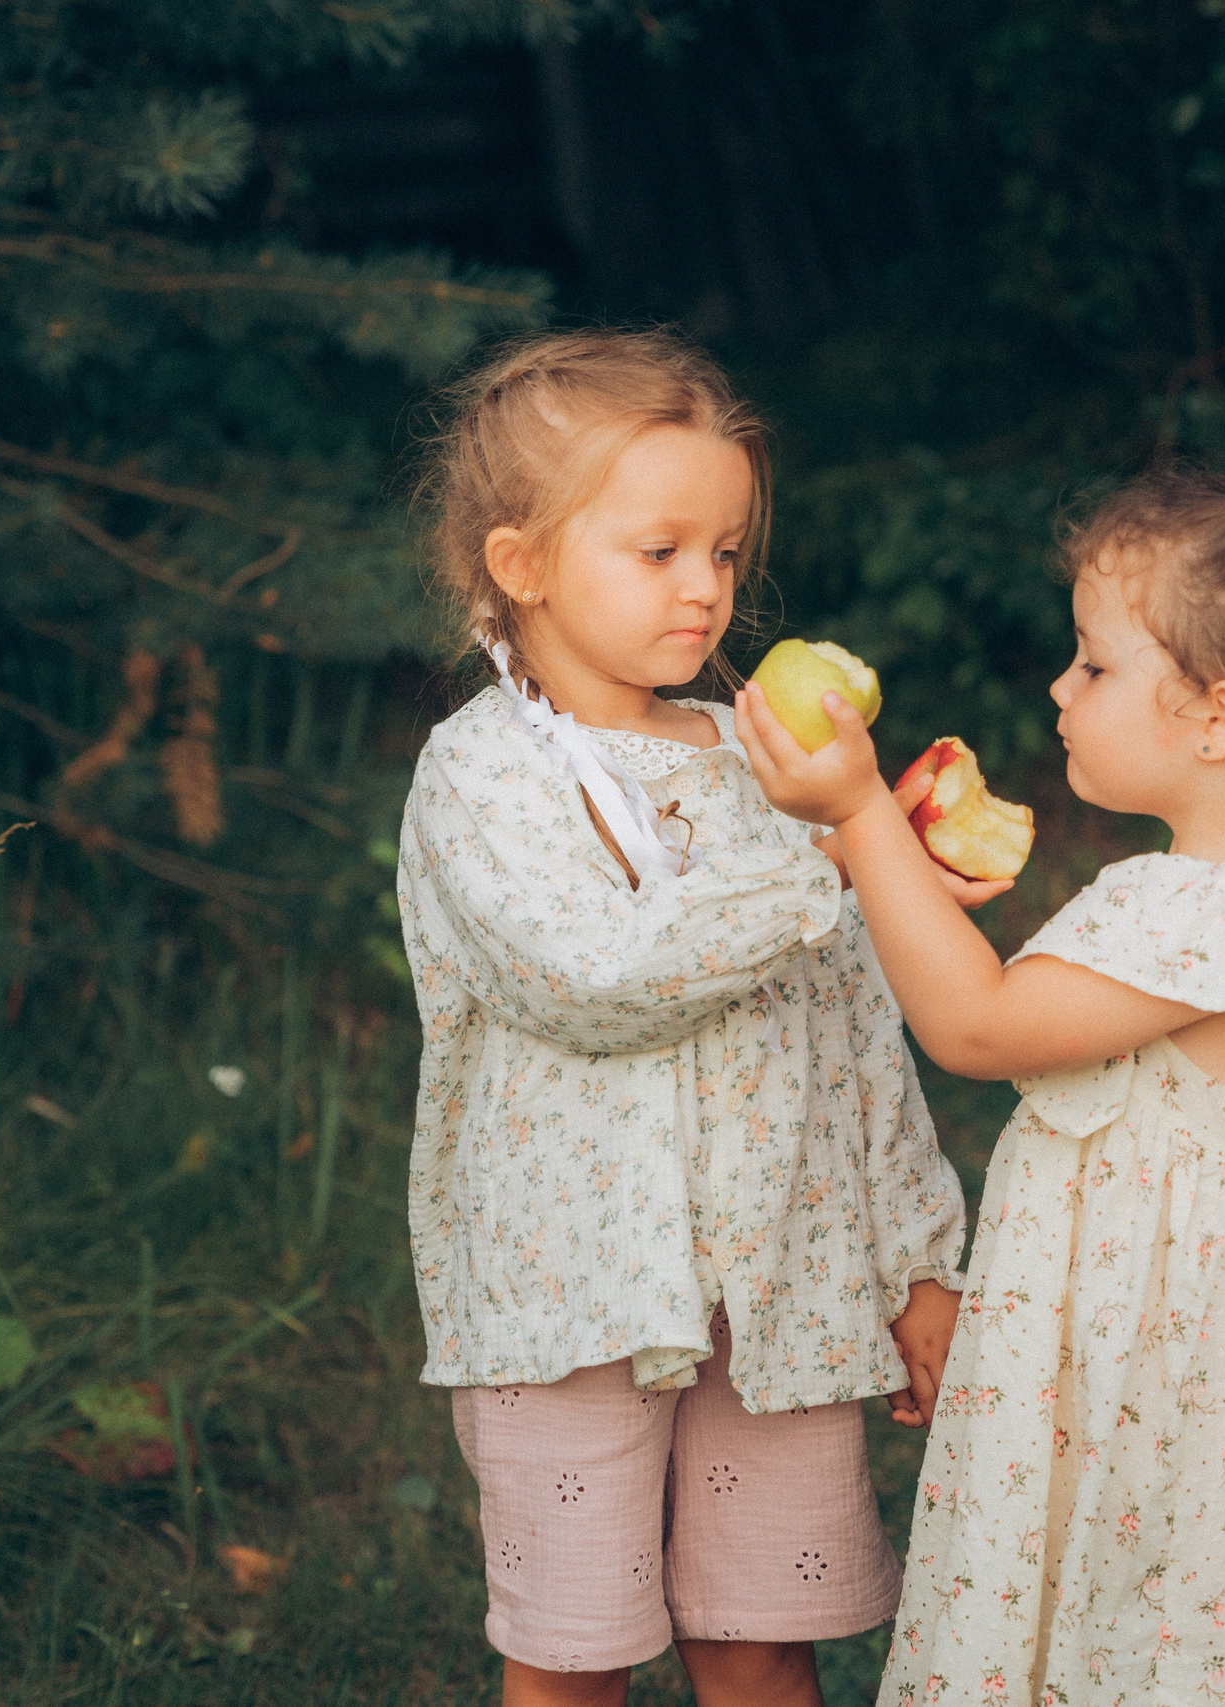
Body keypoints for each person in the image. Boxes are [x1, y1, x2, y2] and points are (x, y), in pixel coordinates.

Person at [737, 468, 1225, 1706]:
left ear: (1218, 718)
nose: (1057, 689)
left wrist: (864, 813)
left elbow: (974, 1026)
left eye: (1093, 667)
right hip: (1193, 1372)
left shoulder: (1215, 911)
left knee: (1162, 1627)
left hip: (1174, 1397)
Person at [392, 329, 974, 1707]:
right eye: (657, 552)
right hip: (572, 1291)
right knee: (575, 1652)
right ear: (521, 563)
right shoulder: (480, 773)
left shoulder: (761, 756)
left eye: (724, 552)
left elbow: (851, 1030)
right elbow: (592, 978)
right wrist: (833, 846)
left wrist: (916, 1256)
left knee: (763, 1640)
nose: (706, 590)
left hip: (777, 1280)